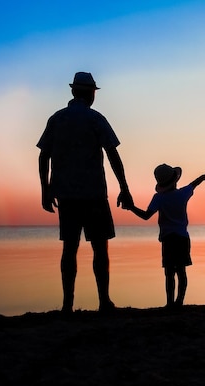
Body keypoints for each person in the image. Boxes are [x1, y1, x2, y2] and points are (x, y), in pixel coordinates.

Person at [37, 71, 133, 314]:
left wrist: (45, 190)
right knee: (100, 249)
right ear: (90, 93)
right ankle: (104, 301)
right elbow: (113, 154)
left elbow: (43, 156)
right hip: (94, 195)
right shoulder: (95, 118)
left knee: (69, 249)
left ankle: (67, 304)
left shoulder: (57, 119)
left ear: (72, 91)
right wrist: (124, 187)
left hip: (66, 194)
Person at [124, 163, 205, 309]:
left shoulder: (159, 198)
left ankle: (170, 302)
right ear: (175, 180)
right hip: (182, 238)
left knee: (169, 272)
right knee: (181, 271)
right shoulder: (182, 194)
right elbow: (193, 185)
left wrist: (131, 207)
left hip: (168, 239)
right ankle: (179, 301)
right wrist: (203, 177)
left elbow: (145, 216)